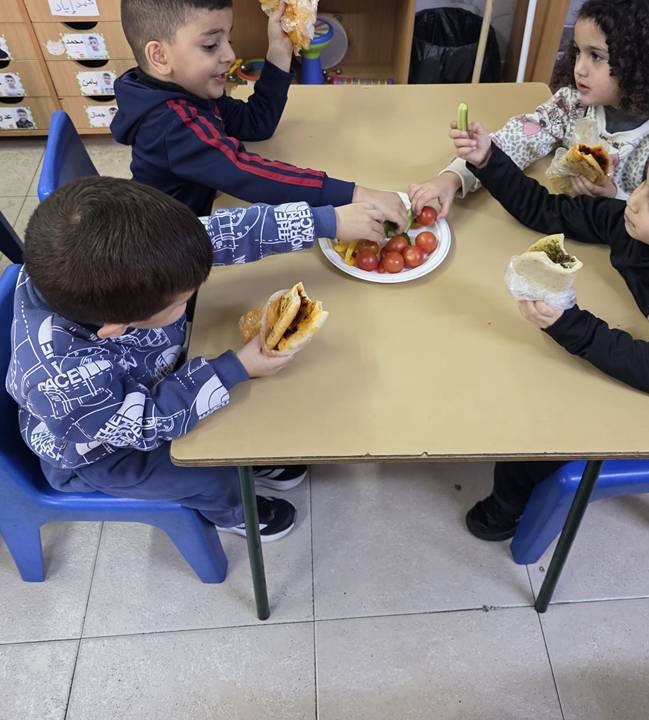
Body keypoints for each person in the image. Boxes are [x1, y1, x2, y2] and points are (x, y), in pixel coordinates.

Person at [6, 177, 386, 541]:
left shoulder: (114, 265)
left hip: (141, 387)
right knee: (209, 474)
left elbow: (222, 233)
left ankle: (246, 461)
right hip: (104, 452)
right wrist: (236, 368)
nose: (192, 293)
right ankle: (235, 513)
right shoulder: (62, 378)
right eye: (183, 300)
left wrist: (326, 221)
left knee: (239, 421)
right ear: (116, 328)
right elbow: (148, 422)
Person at [451, 122, 649, 541]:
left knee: (542, 428)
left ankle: (507, 507)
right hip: (638, 350)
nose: (633, 201)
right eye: (643, 184)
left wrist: (569, 322)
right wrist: (489, 161)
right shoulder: (630, 224)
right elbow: (547, 211)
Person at [111, 0, 407, 230]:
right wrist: (353, 195)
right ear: (159, 56)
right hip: (170, 248)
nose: (229, 55)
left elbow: (256, 124)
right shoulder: (170, 123)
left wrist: (279, 51)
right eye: (211, 45)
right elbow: (247, 174)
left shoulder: (188, 91)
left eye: (228, 39)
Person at [409, 0, 649, 217]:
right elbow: (515, 141)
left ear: (639, 64)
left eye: (596, 56)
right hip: (557, 217)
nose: (579, 68)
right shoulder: (571, 104)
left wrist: (614, 197)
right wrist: (452, 178)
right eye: (578, 51)